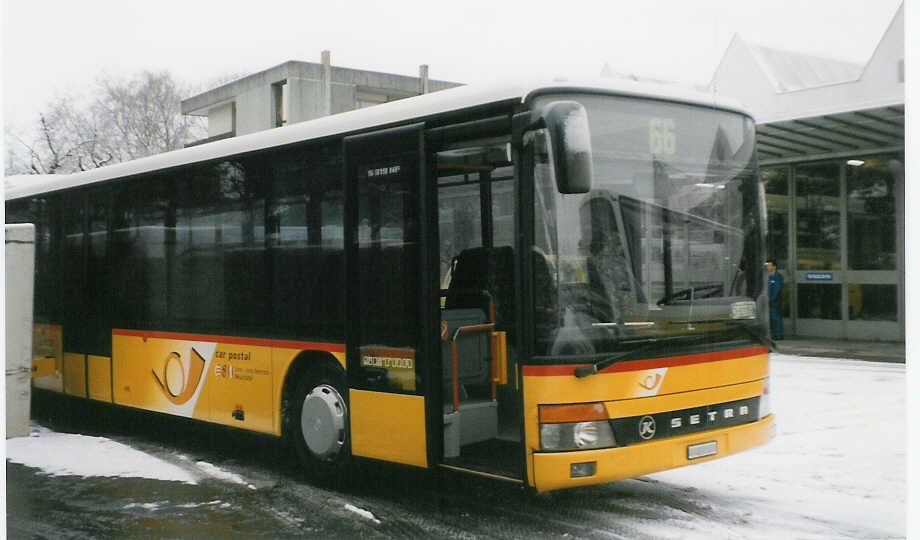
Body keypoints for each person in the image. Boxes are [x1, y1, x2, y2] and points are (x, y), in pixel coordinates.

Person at [766, 260, 783, 340]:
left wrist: (772, 299)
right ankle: (773, 334)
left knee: (776, 317)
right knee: (771, 318)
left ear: (774, 267)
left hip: (775, 300)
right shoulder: (768, 276)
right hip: (768, 300)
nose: (768, 267)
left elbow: (777, 288)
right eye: (767, 265)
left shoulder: (777, 276)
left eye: (769, 265)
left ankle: (779, 334)